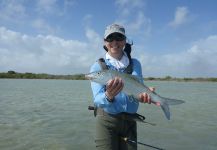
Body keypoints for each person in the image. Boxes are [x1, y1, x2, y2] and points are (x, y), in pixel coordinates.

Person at [89, 23, 154, 150]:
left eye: (119, 37)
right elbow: (97, 99)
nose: (114, 42)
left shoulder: (135, 64)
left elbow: (137, 87)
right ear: (105, 41)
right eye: (110, 38)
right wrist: (108, 96)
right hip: (107, 121)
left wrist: (143, 95)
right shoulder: (98, 67)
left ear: (125, 41)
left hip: (130, 121)